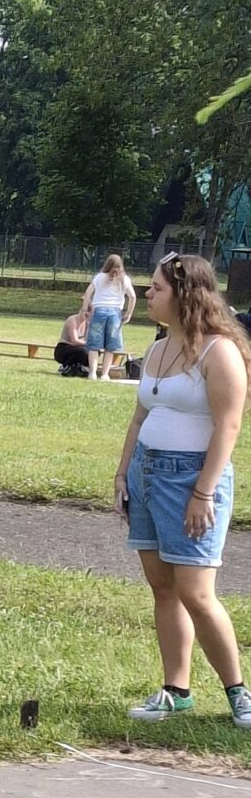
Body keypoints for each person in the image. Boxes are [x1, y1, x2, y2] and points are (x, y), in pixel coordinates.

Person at [115, 253, 251, 729]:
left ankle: (240, 695)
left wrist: (203, 493)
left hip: (191, 480)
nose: (147, 294)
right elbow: (140, 417)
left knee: (197, 593)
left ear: (185, 295)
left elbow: (229, 426)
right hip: (147, 475)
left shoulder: (220, 351)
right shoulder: (158, 348)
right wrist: (123, 474)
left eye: (156, 288)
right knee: (164, 588)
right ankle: (176, 690)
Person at [81, 254, 137, 381]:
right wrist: (129, 313)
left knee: (94, 345)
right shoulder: (124, 279)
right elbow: (133, 297)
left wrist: (85, 310)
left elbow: (88, 293)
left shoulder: (99, 277)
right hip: (115, 313)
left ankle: (92, 373)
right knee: (110, 346)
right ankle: (105, 374)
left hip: (99, 311)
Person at [55, 309, 90, 377]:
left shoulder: (88, 323)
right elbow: (74, 341)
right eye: (86, 314)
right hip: (64, 349)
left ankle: (80, 368)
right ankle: (66, 366)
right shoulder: (72, 320)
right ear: (81, 311)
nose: (87, 316)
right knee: (83, 351)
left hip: (79, 347)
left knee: (94, 351)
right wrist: (90, 344)